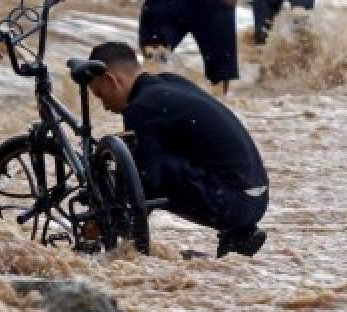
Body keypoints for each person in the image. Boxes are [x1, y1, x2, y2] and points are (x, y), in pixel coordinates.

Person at [87, 41, 269, 259]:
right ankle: (240, 235)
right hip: (257, 195)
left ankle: (126, 249)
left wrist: (111, 225)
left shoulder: (141, 108)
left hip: (235, 202)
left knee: (141, 172)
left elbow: (146, 182)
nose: (105, 105)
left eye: (100, 94)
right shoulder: (169, 83)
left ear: (111, 79)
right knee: (151, 162)